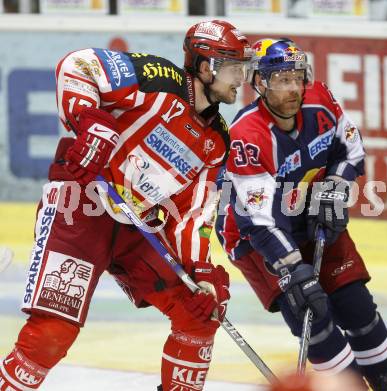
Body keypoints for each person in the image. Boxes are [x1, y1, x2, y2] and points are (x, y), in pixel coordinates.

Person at [0, 20, 252, 391]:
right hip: (80, 206)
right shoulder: (156, 76)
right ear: (204, 66)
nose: (240, 78)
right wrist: (88, 120)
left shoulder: (217, 139)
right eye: (234, 67)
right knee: (54, 331)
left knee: (199, 315)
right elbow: (78, 65)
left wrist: (201, 274)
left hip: (137, 228)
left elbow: (193, 212)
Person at [215, 38, 387, 390]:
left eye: (298, 77)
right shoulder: (247, 136)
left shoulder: (321, 100)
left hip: (311, 215)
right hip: (257, 240)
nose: (294, 88)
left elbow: (351, 149)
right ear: (260, 83)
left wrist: (335, 186)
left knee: (360, 312)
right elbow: (258, 220)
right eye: (282, 80)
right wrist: (293, 269)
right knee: (317, 323)